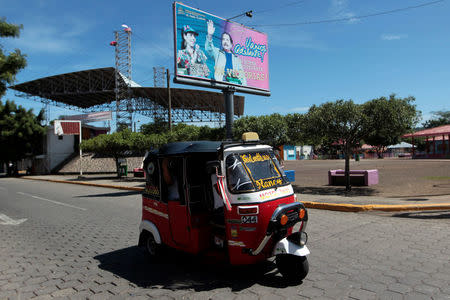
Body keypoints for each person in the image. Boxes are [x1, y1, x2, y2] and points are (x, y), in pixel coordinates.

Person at [205, 20, 247, 86]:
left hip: (234, 83)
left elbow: (241, 74)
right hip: (221, 81)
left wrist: (244, 86)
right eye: (223, 39)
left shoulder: (236, 58)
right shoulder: (218, 52)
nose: (225, 42)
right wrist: (210, 35)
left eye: (227, 40)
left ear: (231, 44)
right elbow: (208, 49)